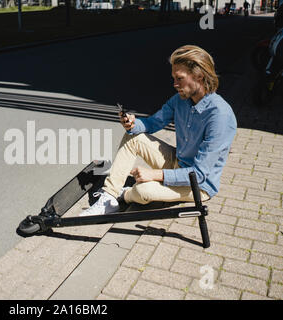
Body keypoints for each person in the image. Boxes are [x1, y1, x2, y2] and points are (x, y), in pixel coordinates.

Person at [81, 45, 237, 216]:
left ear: (199, 76)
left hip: (199, 185)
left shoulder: (220, 116)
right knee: (133, 137)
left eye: (180, 78)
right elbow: (153, 123)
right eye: (174, 78)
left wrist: (155, 175)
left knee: (142, 191)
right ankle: (109, 197)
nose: (175, 84)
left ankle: (125, 194)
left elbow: (200, 174)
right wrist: (133, 124)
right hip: (178, 163)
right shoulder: (181, 100)